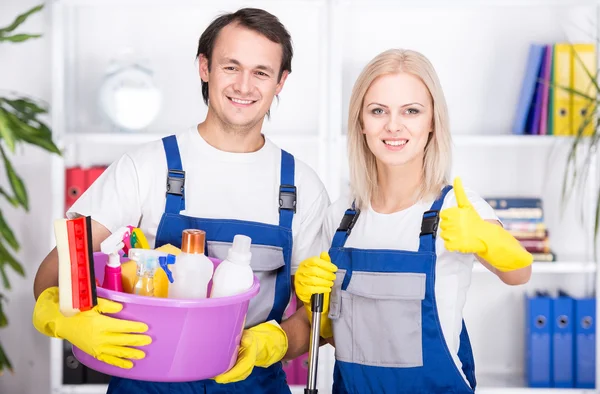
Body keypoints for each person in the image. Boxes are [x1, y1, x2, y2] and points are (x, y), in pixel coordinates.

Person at [32, 8, 329, 394]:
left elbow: (319, 319)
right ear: (204, 67)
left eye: (260, 72)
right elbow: (55, 273)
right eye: (230, 66)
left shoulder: (302, 186)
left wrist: (273, 344)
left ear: (280, 81)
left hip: (251, 385)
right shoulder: (145, 167)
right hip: (148, 381)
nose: (244, 85)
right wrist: (69, 319)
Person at [293, 49, 533, 393]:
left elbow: (518, 274)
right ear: (361, 122)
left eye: (411, 111)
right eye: (378, 111)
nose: (393, 125)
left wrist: (486, 238)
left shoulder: (457, 210)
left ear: (433, 120)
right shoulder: (342, 216)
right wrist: (317, 305)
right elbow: (339, 334)